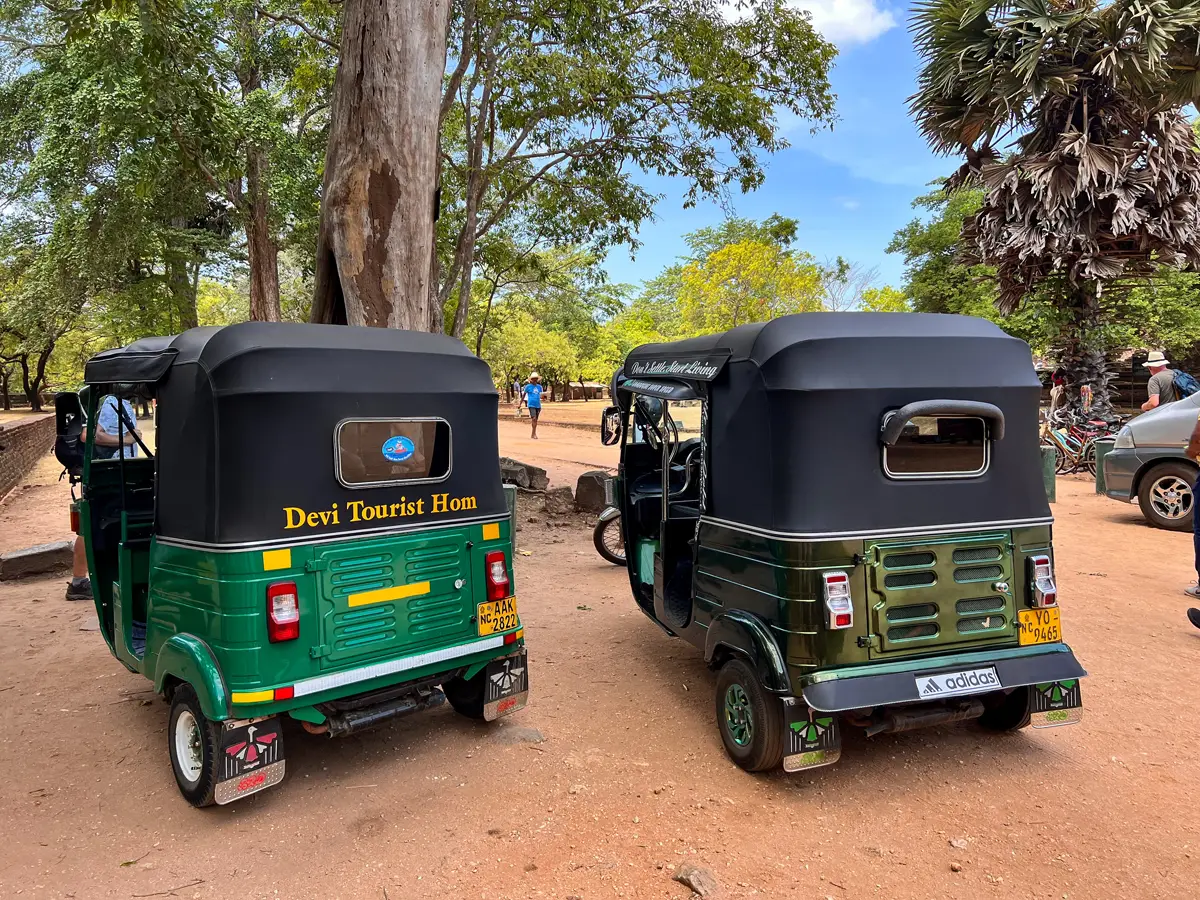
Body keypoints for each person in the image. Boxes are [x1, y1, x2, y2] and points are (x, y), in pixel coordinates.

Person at [67, 394, 140, 600]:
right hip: (109, 472)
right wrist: (128, 439)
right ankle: (79, 581)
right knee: (90, 523)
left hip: (116, 471)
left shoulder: (120, 402)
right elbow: (91, 436)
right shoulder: (111, 402)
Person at [522, 372, 543, 439]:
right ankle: (534, 434)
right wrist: (520, 403)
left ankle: (533, 433)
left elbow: (541, 395)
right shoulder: (528, 387)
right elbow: (524, 395)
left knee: (536, 420)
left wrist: (544, 397)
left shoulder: (539, 387)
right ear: (531, 379)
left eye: (536, 379)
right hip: (531, 404)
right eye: (534, 379)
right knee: (533, 418)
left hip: (538, 405)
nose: (535, 380)